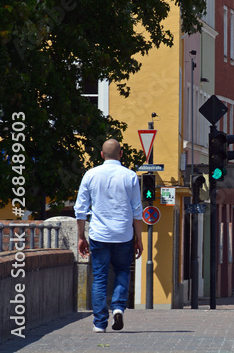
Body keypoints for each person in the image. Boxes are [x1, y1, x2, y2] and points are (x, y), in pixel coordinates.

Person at [75, 138, 144, 333]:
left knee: (99, 278)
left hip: (99, 235)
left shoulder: (90, 174)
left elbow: (80, 210)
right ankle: (118, 307)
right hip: (124, 234)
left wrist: (81, 236)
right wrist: (139, 238)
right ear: (121, 154)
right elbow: (136, 210)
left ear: (102, 155)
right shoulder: (130, 176)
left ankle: (99, 324)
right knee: (123, 271)